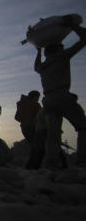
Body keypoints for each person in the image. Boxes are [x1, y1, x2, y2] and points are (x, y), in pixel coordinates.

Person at [34, 20, 86, 167]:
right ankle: (82, 160)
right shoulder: (62, 56)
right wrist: (74, 25)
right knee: (83, 127)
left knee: (53, 134)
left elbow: (36, 66)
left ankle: (51, 162)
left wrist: (37, 51)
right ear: (59, 49)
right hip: (62, 96)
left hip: (48, 100)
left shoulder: (43, 66)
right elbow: (84, 38)